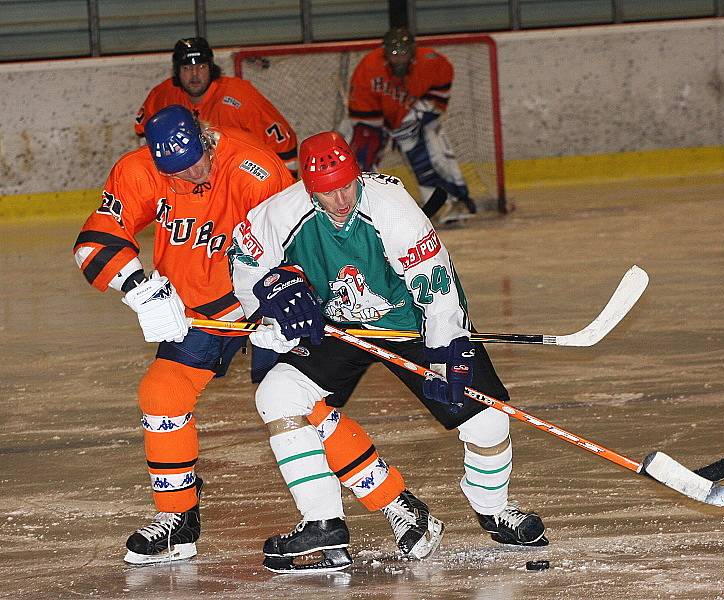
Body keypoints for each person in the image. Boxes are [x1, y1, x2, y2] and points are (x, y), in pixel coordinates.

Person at [230, 131, 547, 573]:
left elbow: (439, 294)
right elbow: (244, 265)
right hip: (338, 325)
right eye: (327, 191)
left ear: (357, 174)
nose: (341, 200)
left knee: (489, 419)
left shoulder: (393, 210)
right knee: (277, 395)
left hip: (408, 324)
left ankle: (492, 507)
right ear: (308, 186)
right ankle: (323, 523)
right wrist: (270, 296)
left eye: (347, 185)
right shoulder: (280, 212)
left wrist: (446, 355)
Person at [73, 104, 295, 564]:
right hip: (198, 311)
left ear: (205, 136)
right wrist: (141, 289)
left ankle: (394, 502)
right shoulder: (138, 171)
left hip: (260, 300)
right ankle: (178, 522)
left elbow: (298, 241)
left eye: (196, 159)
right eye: (176, 169)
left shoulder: (254, 168)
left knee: (298, 401)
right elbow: (94, 242)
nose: (192, 173)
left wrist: (288, 303)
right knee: (162, 394)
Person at [346, 27, 476, 224]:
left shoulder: (432, 62)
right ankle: (361, 208)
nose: (398, 58)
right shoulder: (369, 66)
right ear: (385, 51)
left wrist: (416, 117)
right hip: (376, 118)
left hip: (411, 118)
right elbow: (363, 112)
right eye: (394, 53)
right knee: (361, 157)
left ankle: (452, 202)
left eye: (404, 52)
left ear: (413, 51)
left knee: (433, 154)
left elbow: (438, 98)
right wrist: (379, 132)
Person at [135, 37, 298, 176]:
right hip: (188, 179)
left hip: (238, 175)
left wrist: (282, 187)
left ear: (211, 68)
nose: (194, 75)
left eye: (201, 66)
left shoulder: (240, 95)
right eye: (186, 68)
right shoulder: (162, 95)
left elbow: (284, 144)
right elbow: (143, 134)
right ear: (176, 71)